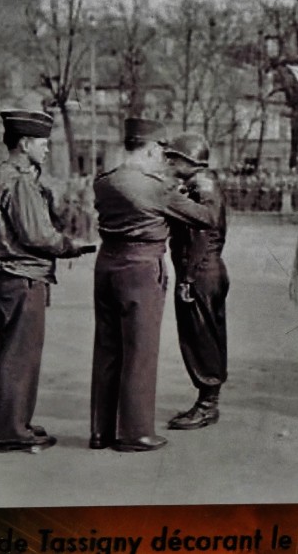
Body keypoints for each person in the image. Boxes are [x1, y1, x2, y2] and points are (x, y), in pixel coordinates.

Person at [90, 118, 218, 452]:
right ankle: (134, 433)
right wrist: (203, 191)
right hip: (141, 269)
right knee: (140, 351)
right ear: (149, 148)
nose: (162, 159)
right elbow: (206, 219)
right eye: (160, 151)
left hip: (105, 266)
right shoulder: (154, 187)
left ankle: (101, 431)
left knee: (106, 350)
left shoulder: (103, 181)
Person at [0, 109, 93, 452]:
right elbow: (38, 236)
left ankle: (15, 423)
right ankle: (12, 432)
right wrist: (72, 247)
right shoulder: (19, 181)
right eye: (43, 143)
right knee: (20, 355)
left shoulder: (4, 175)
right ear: (25, 143)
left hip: (8, 274)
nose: (46, 149)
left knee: (16, 352)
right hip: (21, 276)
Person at [165, 132, 230, 430]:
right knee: (205, 335)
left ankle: (207, 405)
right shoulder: (202, 182)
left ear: (189, 160)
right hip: (206, 270)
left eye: (174, 157)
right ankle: (206, 401)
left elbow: (202, 233)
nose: (169, 161)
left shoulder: (201, 185)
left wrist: (188, 277)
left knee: (201, 337)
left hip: (200, 271)